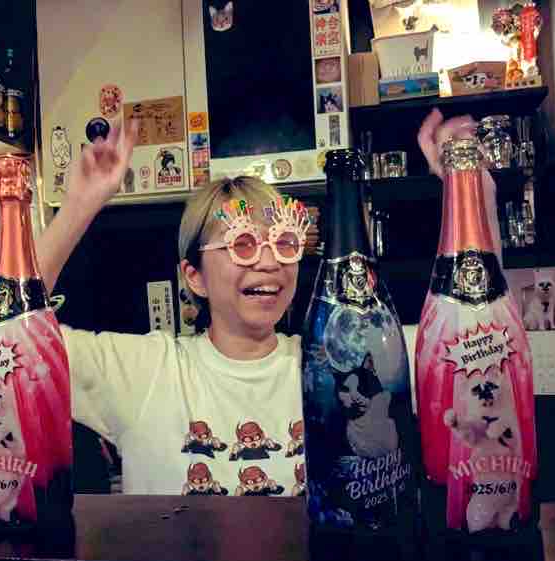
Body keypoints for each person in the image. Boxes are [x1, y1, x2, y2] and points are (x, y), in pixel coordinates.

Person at [37, 110, 492, 496]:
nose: (270, 263)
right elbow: (10, 339)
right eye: (243, 244)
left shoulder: (340, 361)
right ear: (194, 276)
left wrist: (470, 185)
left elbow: (478, 342)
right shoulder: (146, 371)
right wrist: (79, 205)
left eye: (284, 243)